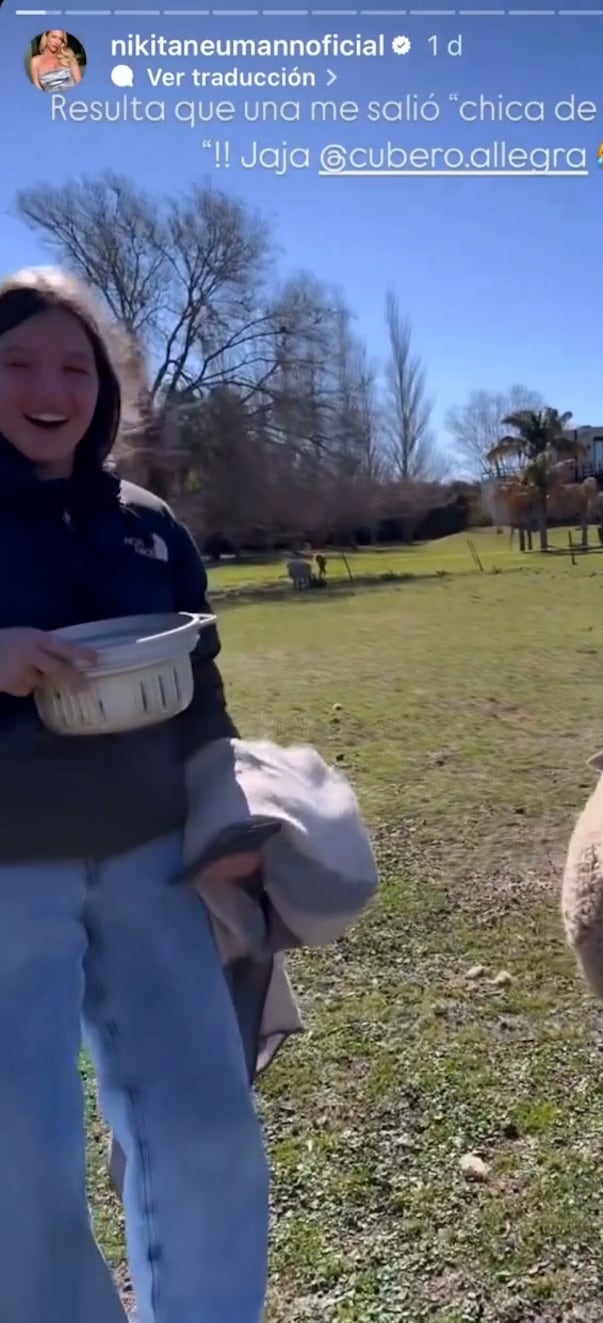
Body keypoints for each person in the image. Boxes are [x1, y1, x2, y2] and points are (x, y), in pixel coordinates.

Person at [0, 267, 269, 1322]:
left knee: (202, 1128)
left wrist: (227, 813)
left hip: (156, 862)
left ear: (107, 390)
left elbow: (200, 685)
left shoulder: (149, 523)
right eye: (16, 363)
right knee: (20, 1161)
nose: (48, 387)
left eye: (75, 365)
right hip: (8, 872)